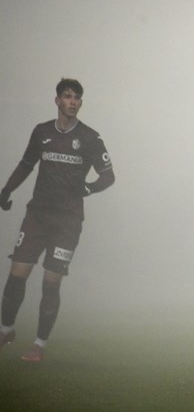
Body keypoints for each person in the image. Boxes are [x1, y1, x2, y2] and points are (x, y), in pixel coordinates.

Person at [0, 78, 115, 362]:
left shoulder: (90, 138)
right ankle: (6, 329)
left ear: (80, 103)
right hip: (37, 216)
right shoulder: (41, 132)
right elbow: (26, 165)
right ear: (57, 101)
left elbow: (108, 176)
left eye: (77, 98)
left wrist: (87, 188)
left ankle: (38, 345)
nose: (73, 102)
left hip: (68, 222)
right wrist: (6, 190)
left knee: (51, 282)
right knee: (17, 274)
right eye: (68, 96)